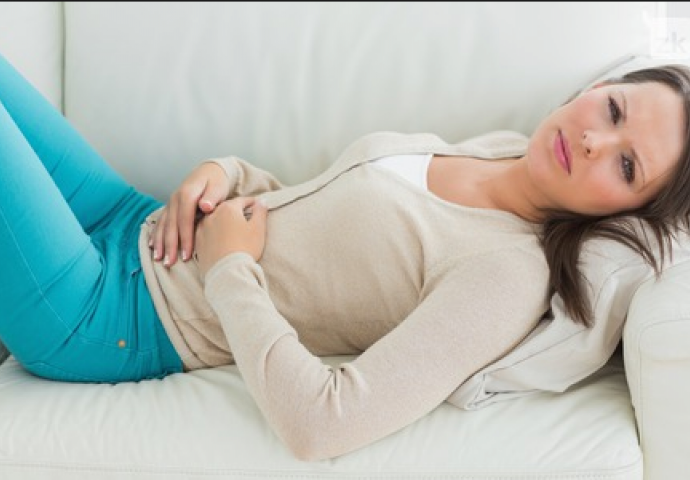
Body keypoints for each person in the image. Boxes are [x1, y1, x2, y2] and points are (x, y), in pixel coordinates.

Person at [0, 48, 688, 461]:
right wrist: (226, 173)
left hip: (107, 315)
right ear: (599, 89)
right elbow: (315, 231)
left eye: (626, 166)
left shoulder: (507, 276)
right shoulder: (506, 150)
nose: (595, 141)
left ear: (627, 214)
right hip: (132, 218)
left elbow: (323, 424)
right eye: (615, 110)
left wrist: (230, 269)